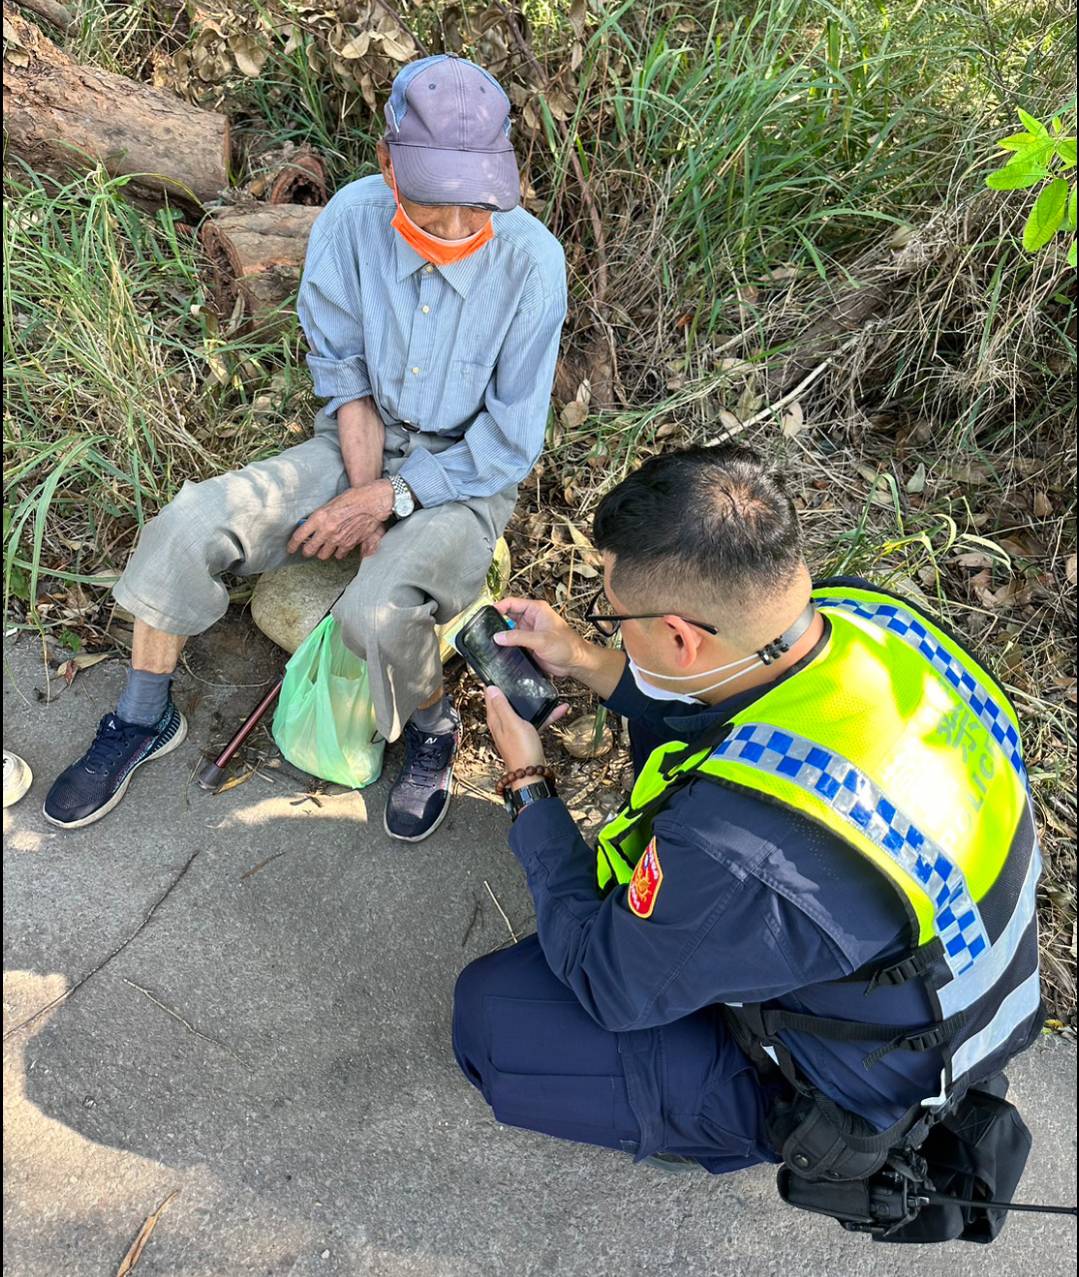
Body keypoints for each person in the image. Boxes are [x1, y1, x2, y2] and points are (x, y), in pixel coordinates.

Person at [453, 444, 1041, 1189]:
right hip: (950, 987)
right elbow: (732, 698)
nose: (609, 628)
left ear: (680, 635)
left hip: (862, 1080)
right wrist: (580, 656)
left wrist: (528, 782)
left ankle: (726, 1124)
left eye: (613, 615)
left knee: (492, 1017)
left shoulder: (739, 854)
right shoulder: (870, 619)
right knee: (672, 729)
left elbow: (608, 982)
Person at [44, 54, 567, 841]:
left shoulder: (531, 262)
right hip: (356, 441)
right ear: (388, 164)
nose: (456, 229)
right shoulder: (350, 223)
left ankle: (431, 728)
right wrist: (363, 500)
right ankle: (143, 715)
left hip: (466, 477)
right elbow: (347, 385)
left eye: (476, 204)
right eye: (433, 203)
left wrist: (390, 503)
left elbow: (507, 440)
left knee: (380, 611)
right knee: (191, 522)